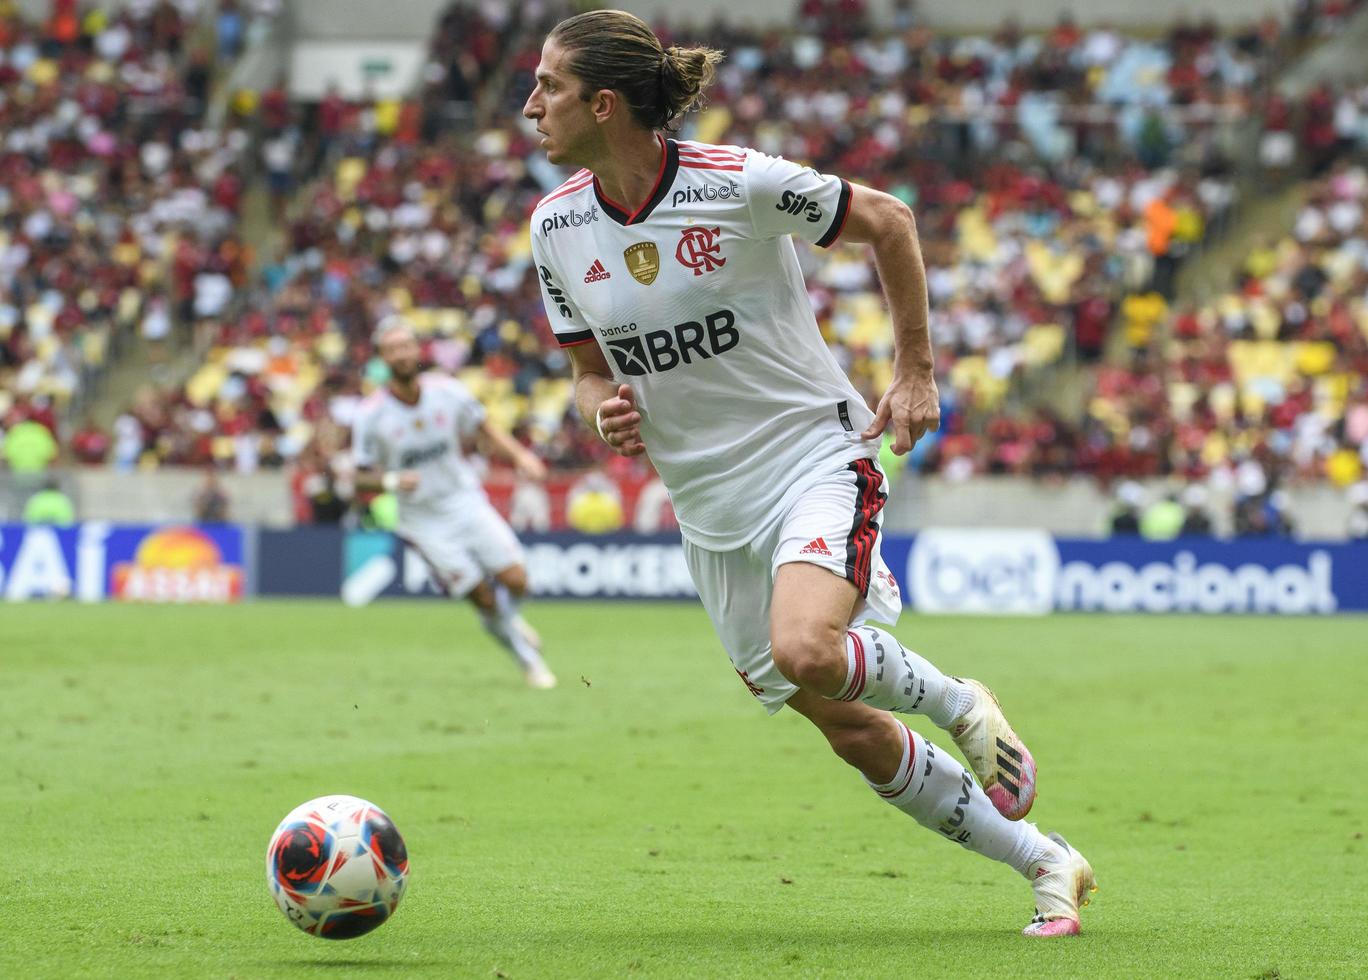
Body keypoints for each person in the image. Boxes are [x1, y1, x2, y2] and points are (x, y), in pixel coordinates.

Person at [523, 10, 1094, 936]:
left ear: (604, 102)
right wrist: (602, 408)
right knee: (848, 726)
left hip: (811, 460)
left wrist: (914, 368)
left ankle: (960, 701)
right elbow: (588, 370)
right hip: (708, 513)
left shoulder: (737, 181)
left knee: (810, 651)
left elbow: (889, 221)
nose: (528, 105)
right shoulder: (556, 229)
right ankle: (1047, 862)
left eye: (546, 86)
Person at [352, 323, 557, 689]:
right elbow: (359, 476)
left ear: (418, 350)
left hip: (465, 501)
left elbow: (485, 426)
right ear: (383, 359)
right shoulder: (370, 414)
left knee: (517, 581)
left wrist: (521, 456)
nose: (401, 354)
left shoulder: (447, 390)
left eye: (406, 345)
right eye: (392, 349)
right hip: (422, 520)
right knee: (481, 596)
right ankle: (529, 663)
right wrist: (391, 481)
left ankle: (509, 623)